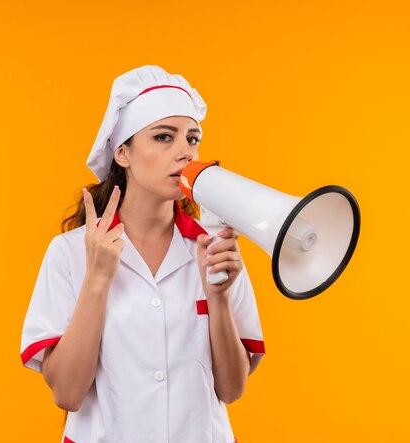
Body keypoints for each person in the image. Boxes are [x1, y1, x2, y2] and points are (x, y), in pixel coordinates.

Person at [20, 65, 265, 443]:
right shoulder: (69, 253)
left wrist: (217, 295)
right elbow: (67, 394)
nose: (186, 152)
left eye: (192, 138)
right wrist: (97, 280)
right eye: (164, 137)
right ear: (123, 153)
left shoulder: (214, 249)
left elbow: (231, 390)